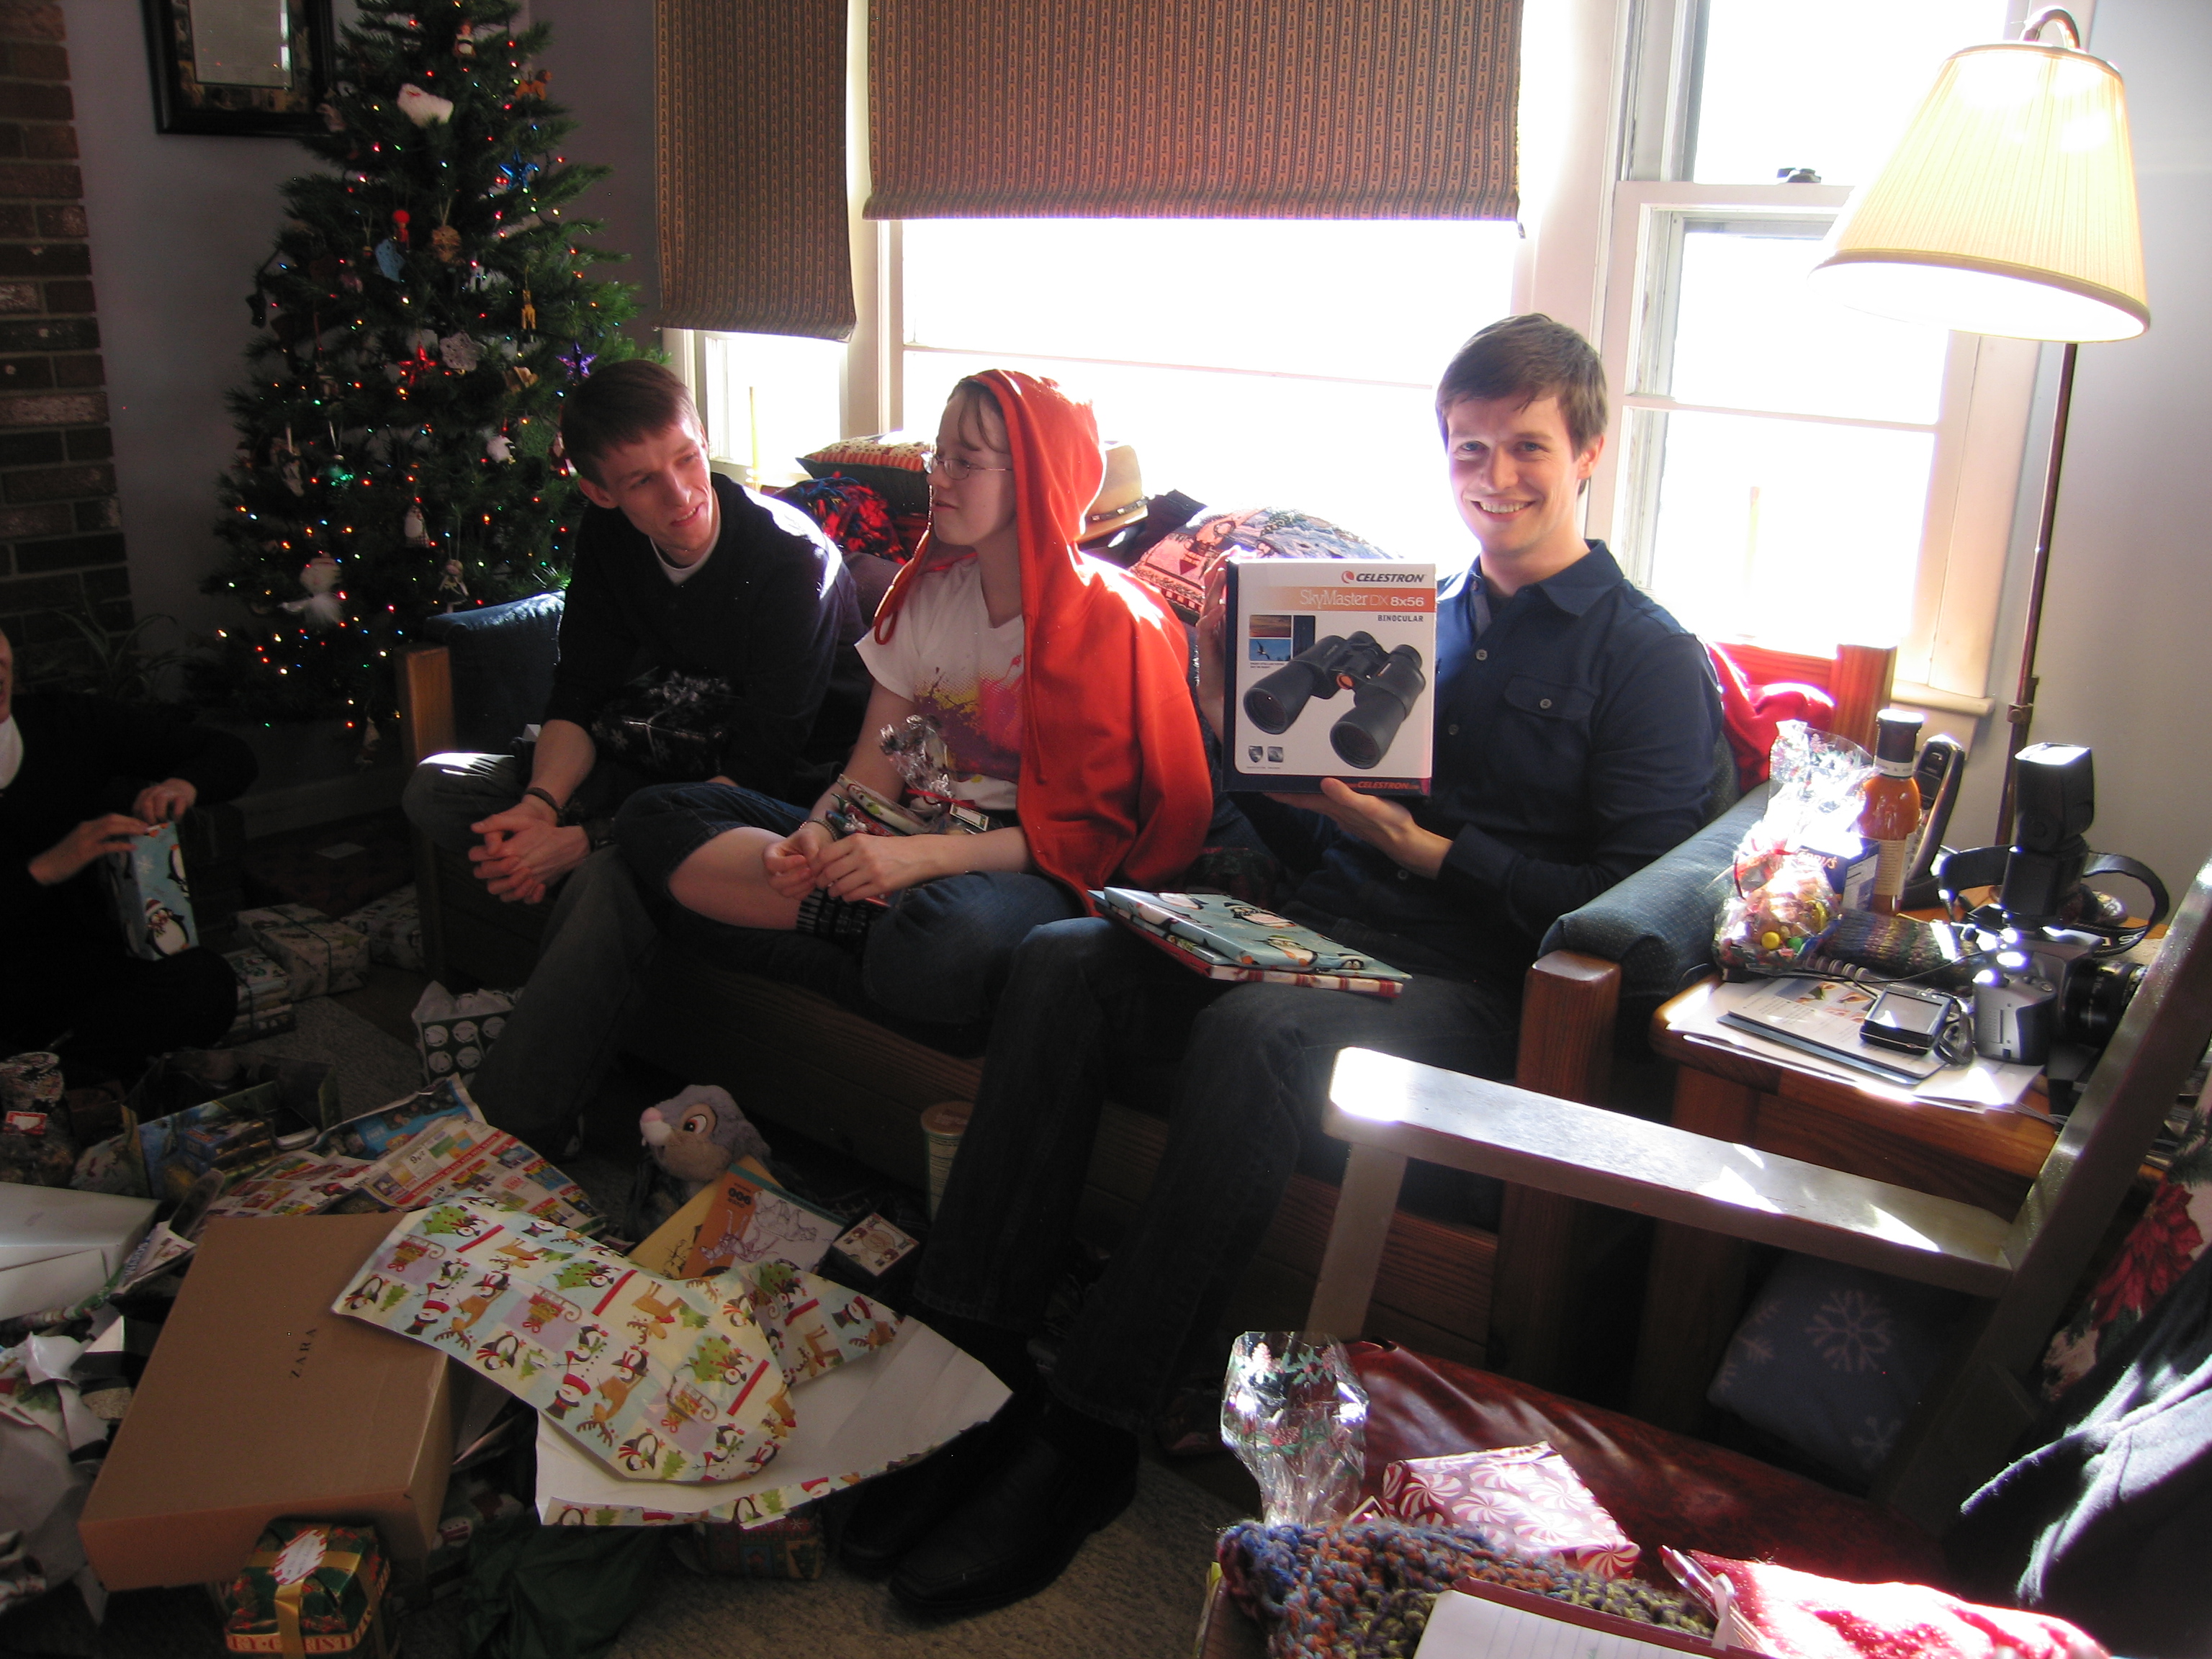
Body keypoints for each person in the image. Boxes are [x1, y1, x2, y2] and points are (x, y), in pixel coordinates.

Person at [855, 315, 1725, 1616]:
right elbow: (1306, 826)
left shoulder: (1645, 657)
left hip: (1478, 993)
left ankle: (1090, 1429)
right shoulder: (1411, 621)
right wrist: (1231, 731)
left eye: (1528, 448)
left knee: (1258, 1033)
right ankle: (970, 1358)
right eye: (1469, 448)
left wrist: (1434, 854)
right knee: (1064, 959)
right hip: (1321, 931)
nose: (1495, 476)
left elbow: (1636, 913)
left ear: (1589, 450)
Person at [613, 369, 1212, 1029]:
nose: (939, 479)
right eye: (938, 456)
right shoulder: (928, 592)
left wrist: (920, 859)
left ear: (1037, 477)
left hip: (1024, 869)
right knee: (654, 813)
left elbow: (1086, 835)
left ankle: (849, 929)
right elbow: (873, 770)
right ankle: (863, 928)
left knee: (948, 937)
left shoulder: (1112, 623)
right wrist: (821, 832)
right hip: (908, 836)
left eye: (965, 462)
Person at [403, 359, 871, 1148]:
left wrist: (585, 840)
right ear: (599, 492)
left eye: (687, 459)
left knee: (608, 874)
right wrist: (541, 808)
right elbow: (579, 689)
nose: (680, 494)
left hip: (769, 802)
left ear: (705, 439)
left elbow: (760, 767)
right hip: (652, 760)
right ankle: (576, 971)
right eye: (642, 480)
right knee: (438, 786)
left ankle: (511, 1134)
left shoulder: (791, 560)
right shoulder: (612, 538)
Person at [0, 626, 256, 1072]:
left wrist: (182, 785)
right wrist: (42, 870)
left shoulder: (66, 721)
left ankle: (48, 1074)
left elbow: (230, 754)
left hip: (81, 972)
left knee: (203, 985)